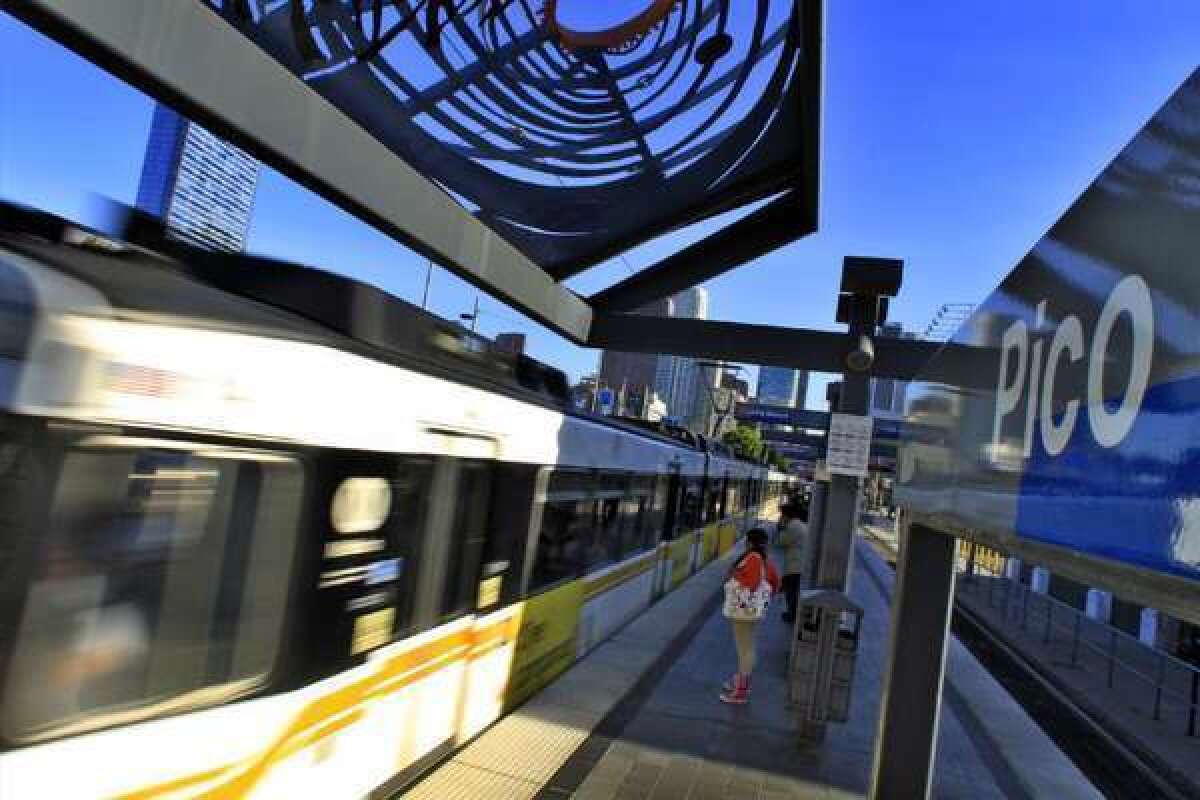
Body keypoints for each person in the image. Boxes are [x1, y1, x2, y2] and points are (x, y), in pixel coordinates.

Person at [720, 528, 780, 705]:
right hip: (751, 612)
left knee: (745, 649)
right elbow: (775, 582)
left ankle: (740, 691)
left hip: (743, 612)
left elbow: (752, 583)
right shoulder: (765, 560)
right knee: (747, 647)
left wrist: (735, 574)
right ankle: (740, 682)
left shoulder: (753, 558)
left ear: (750, 542)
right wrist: (764, 599)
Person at [775, 500, 809, 623]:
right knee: (792, 590)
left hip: (795, 565)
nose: (780, 517)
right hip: (798, 563)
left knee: (791, 591)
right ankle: (792, 613)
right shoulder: (799, 524)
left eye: (782, 515)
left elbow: (780, 542)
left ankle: (792, 615)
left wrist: (780, 527)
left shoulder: (793, 526)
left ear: (786, 515)